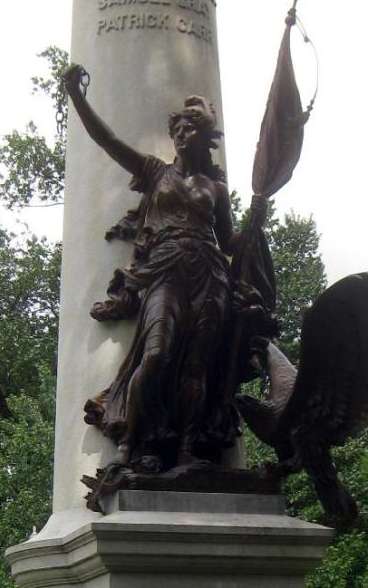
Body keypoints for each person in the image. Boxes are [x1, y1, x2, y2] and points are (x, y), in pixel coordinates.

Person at [62, 64, 263, 471]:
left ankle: (189, 449)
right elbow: (108, 140)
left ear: (204, 138)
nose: (180, 136)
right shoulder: (156, 172)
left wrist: (255, 221)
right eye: (177, 132)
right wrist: (77, 98)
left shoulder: (217, 189)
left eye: (188, 130)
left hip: (209, 274)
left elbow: (228, 243)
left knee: (197, 366)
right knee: (154, 356)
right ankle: (129, 444)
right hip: (166, 270)